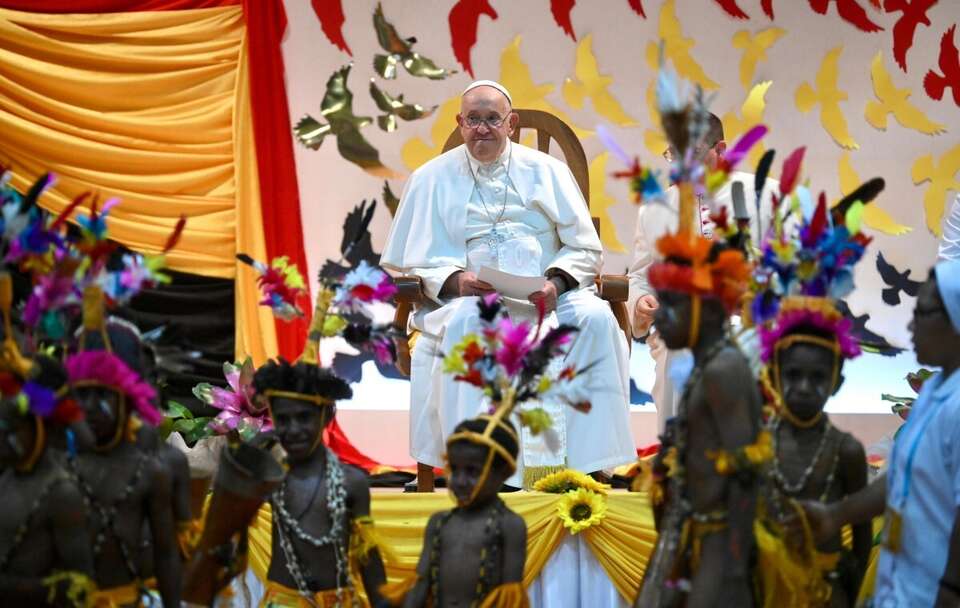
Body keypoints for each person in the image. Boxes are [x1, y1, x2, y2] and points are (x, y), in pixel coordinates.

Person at [382, 80, 635, 483]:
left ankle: (588, 465)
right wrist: (454, 280)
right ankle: (483, 470)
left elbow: (585, 249)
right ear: (460, 122)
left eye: (492, 119)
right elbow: (415, 263)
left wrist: (556, 284)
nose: (482, 128)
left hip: (548, 294)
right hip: (475, 299)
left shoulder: (549, 171)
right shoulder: (430, 178)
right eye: (473, 120)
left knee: (597, 319)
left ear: (511, 123)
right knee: (466, 322)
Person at [801, 260, 960, 607]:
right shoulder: (935, 392)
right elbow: (903, 480)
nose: (911, 325)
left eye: (924, 313)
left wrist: (949, 591)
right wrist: (836, 516)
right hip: (902, 584)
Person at [627, 113, 778, 431]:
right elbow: (640, 277)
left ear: (720, 150)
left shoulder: (765, 195)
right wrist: (641, 301)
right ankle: (680, 462)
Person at [66, 304, 181, 607]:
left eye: (102, 395)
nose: (89, 407)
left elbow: (166, 554)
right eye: (82, 394)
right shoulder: (63, 471)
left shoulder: (150, 473)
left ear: (127, 401)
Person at [254, 358, 389, 607]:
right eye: (283, 419)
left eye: (304, 417)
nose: (293, 429)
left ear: (326, 416)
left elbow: (367, 555)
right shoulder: (269, 477)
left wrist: (382, 603)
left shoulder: (352, 482)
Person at [0, 274, 94, 607]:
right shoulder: (8, 476)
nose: (4, 437)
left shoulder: (62, 493)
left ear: (43, 425)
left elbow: (79, 587)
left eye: (13, 426)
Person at [389, 413, 527, 608]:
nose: (460, 481)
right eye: (454, 469)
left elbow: (509, 598)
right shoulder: (439, 522)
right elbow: (421, 584)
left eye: (472, 471)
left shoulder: (509, 525)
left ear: (504, 472)